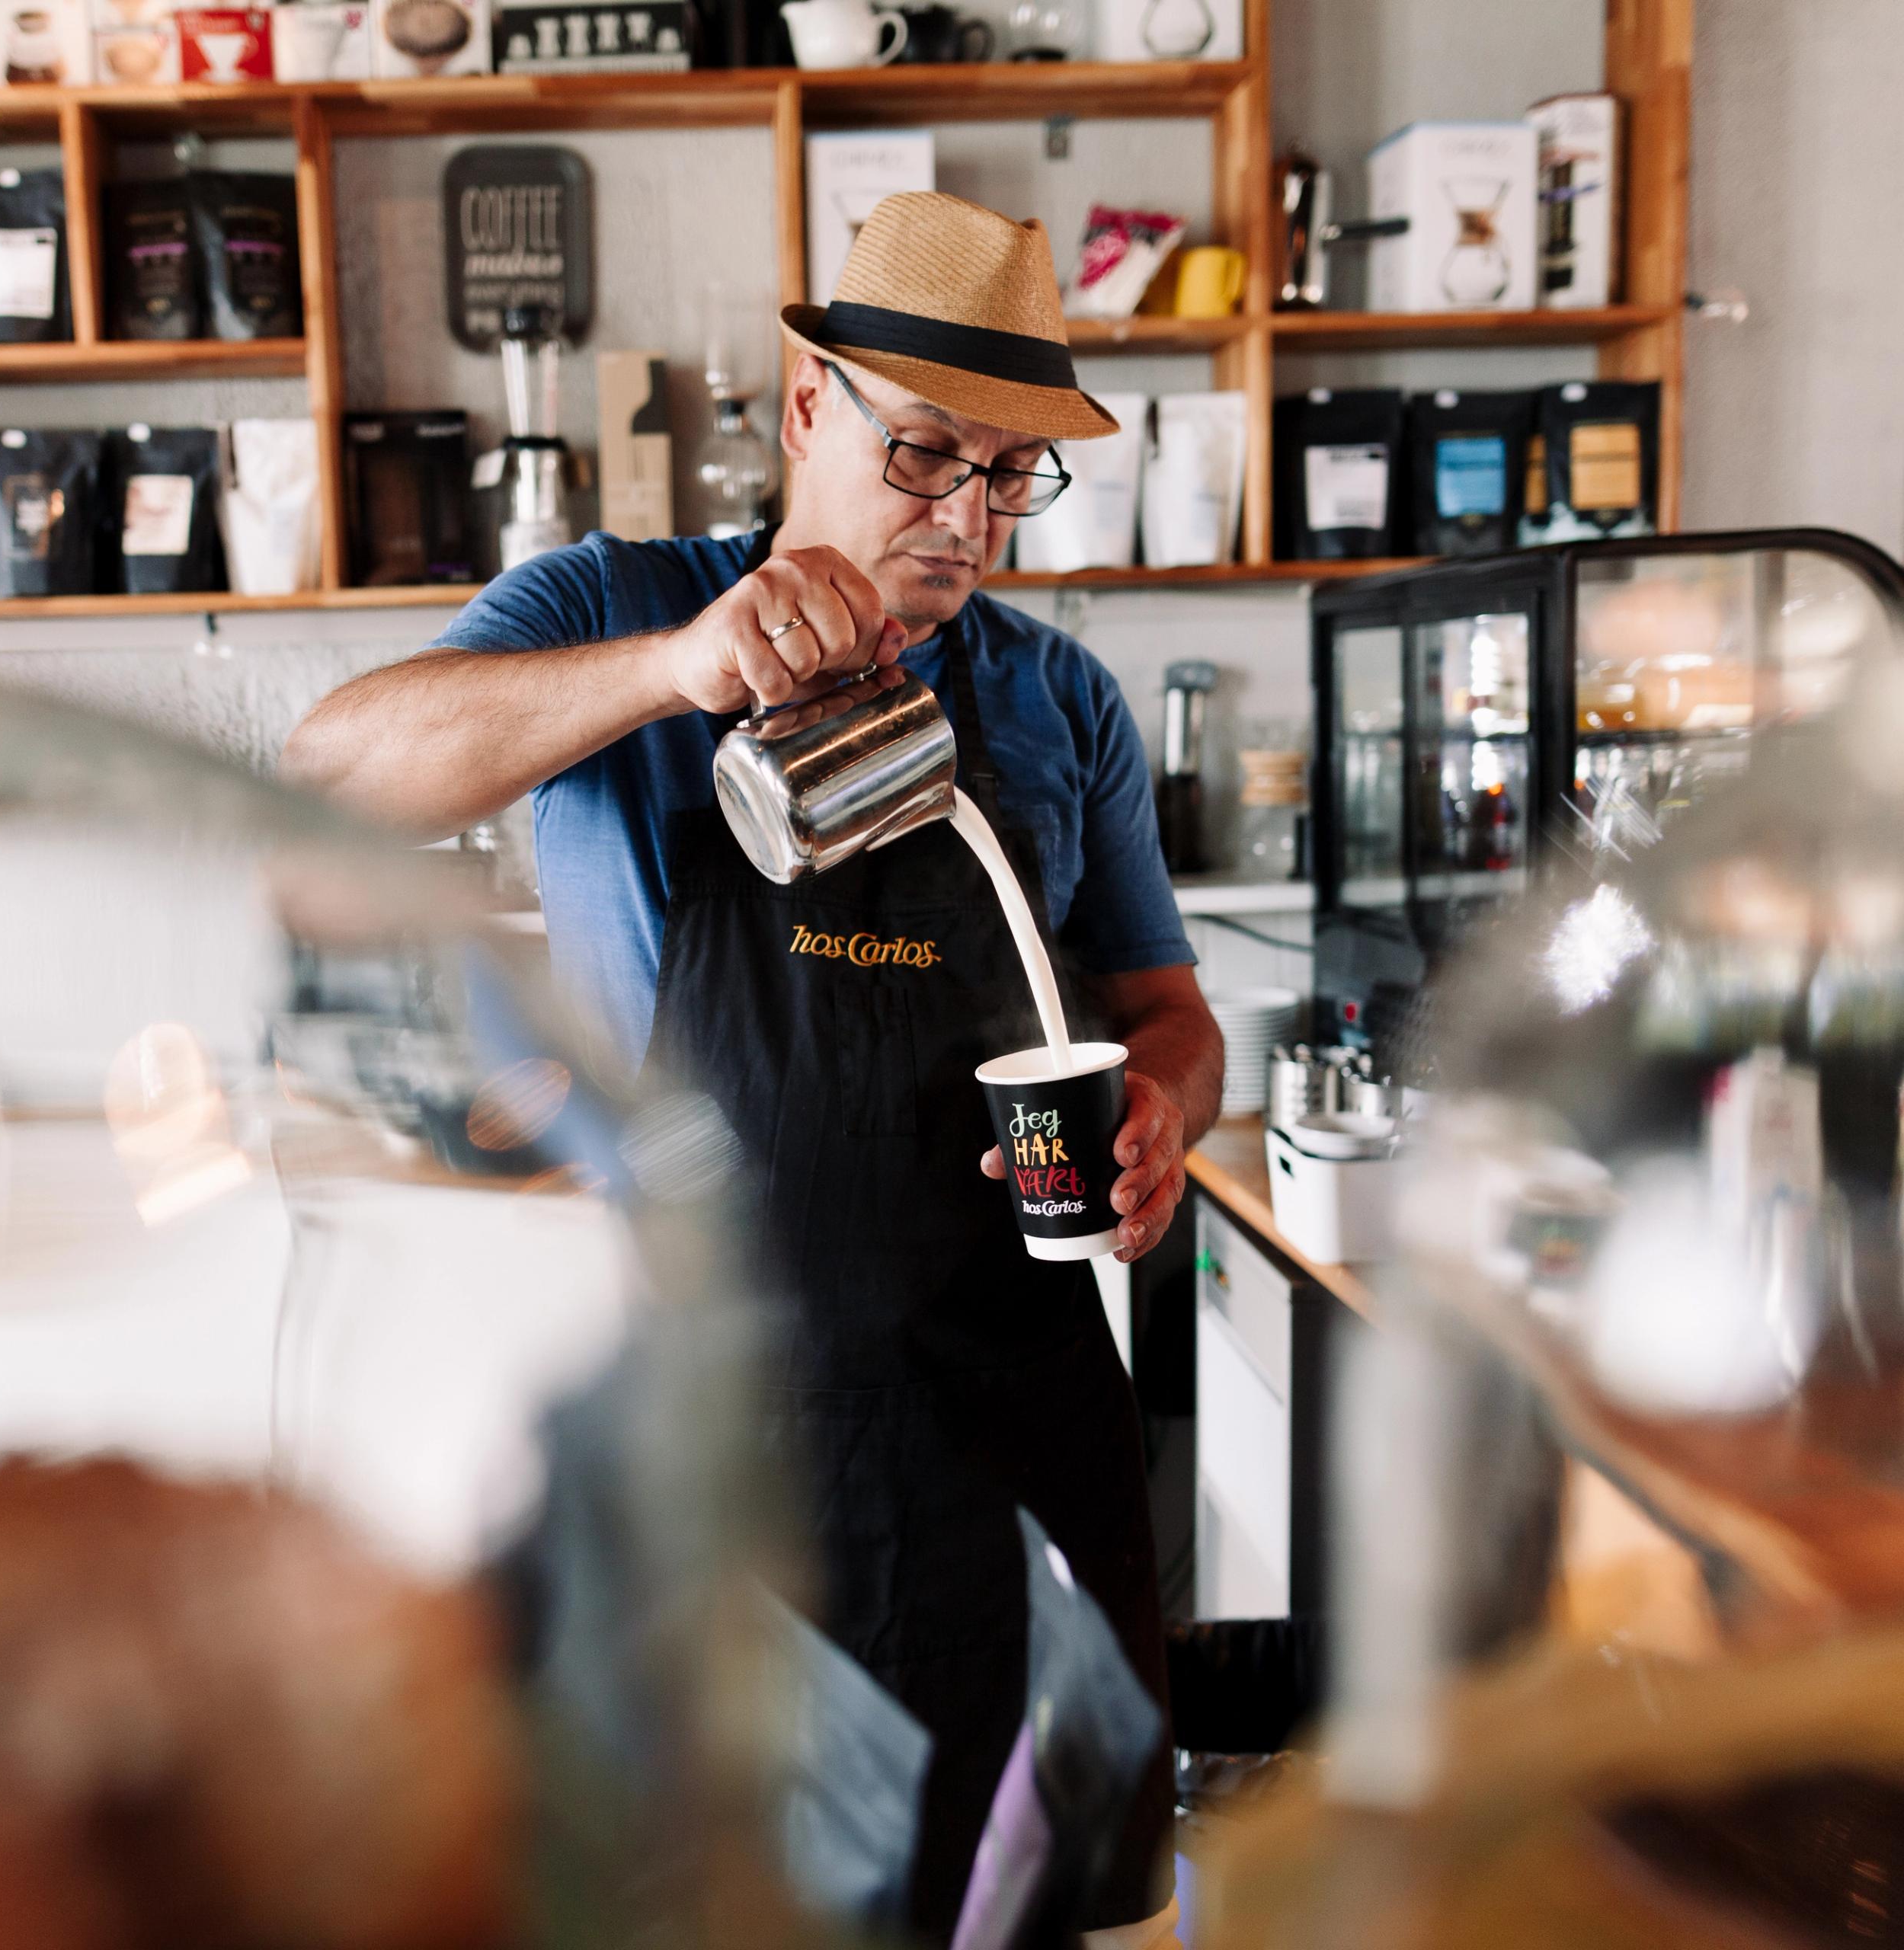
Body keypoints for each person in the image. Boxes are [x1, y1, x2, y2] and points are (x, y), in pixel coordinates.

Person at [286, 192, 1221, 1941]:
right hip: (701, 1427)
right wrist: (670, 672)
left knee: (1015, 1901)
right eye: (927, 451)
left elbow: (1172, 1008)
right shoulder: (615, 606)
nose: (968, 519)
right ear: (807, 405)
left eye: (1012, 474)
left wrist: (1164, 1107)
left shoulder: (1061, 703)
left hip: (1004, 1420)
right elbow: (318, 790)